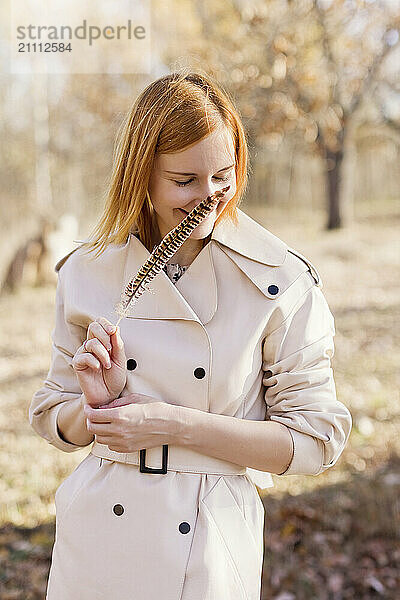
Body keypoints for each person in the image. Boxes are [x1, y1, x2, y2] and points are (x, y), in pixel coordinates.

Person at [29, 70, 352, 600]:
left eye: (223, 175)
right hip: (97, 540)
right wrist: (99, 408)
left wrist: (171, 424)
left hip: (209, 541)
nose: (209, 197)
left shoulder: (279, 281)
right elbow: (50, 414)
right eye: (185, 181)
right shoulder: (86, 270)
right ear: (141, 175)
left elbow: (317, 440)